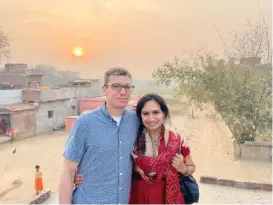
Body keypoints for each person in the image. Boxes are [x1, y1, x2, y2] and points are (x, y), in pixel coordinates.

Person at [75, 94, 196, 204]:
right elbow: (108, 160)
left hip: (164, 197)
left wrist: (183, 168)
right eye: (146, 114)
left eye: (156, 112)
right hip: (135, 197)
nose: (151, 118)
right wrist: (80, 176)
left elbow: (192, 167)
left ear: (164, 113)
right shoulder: (131, 139)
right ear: (140, 116)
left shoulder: (177, 142)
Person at [59, 67, 139, 204]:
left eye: (127, 87)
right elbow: (68, 171)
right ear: (104, 89)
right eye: (116, 86)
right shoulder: (85, 123)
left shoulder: (135, 121)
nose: (123, 92)